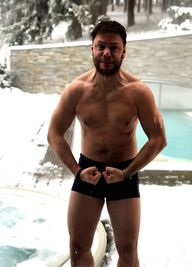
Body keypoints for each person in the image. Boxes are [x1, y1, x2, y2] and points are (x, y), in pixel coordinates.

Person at [47, 20, 167, 267]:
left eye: (114, 48)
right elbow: (54, 134)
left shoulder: (137, 91)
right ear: (92, 48)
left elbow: (158, 139)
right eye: (101, 46)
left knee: (128, 251)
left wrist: (127, 173)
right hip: (87, 171)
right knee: (78, 248)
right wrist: (77, 171)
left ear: (124, 51)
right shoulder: (76, 90)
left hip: (124, 173)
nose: (106, 53)